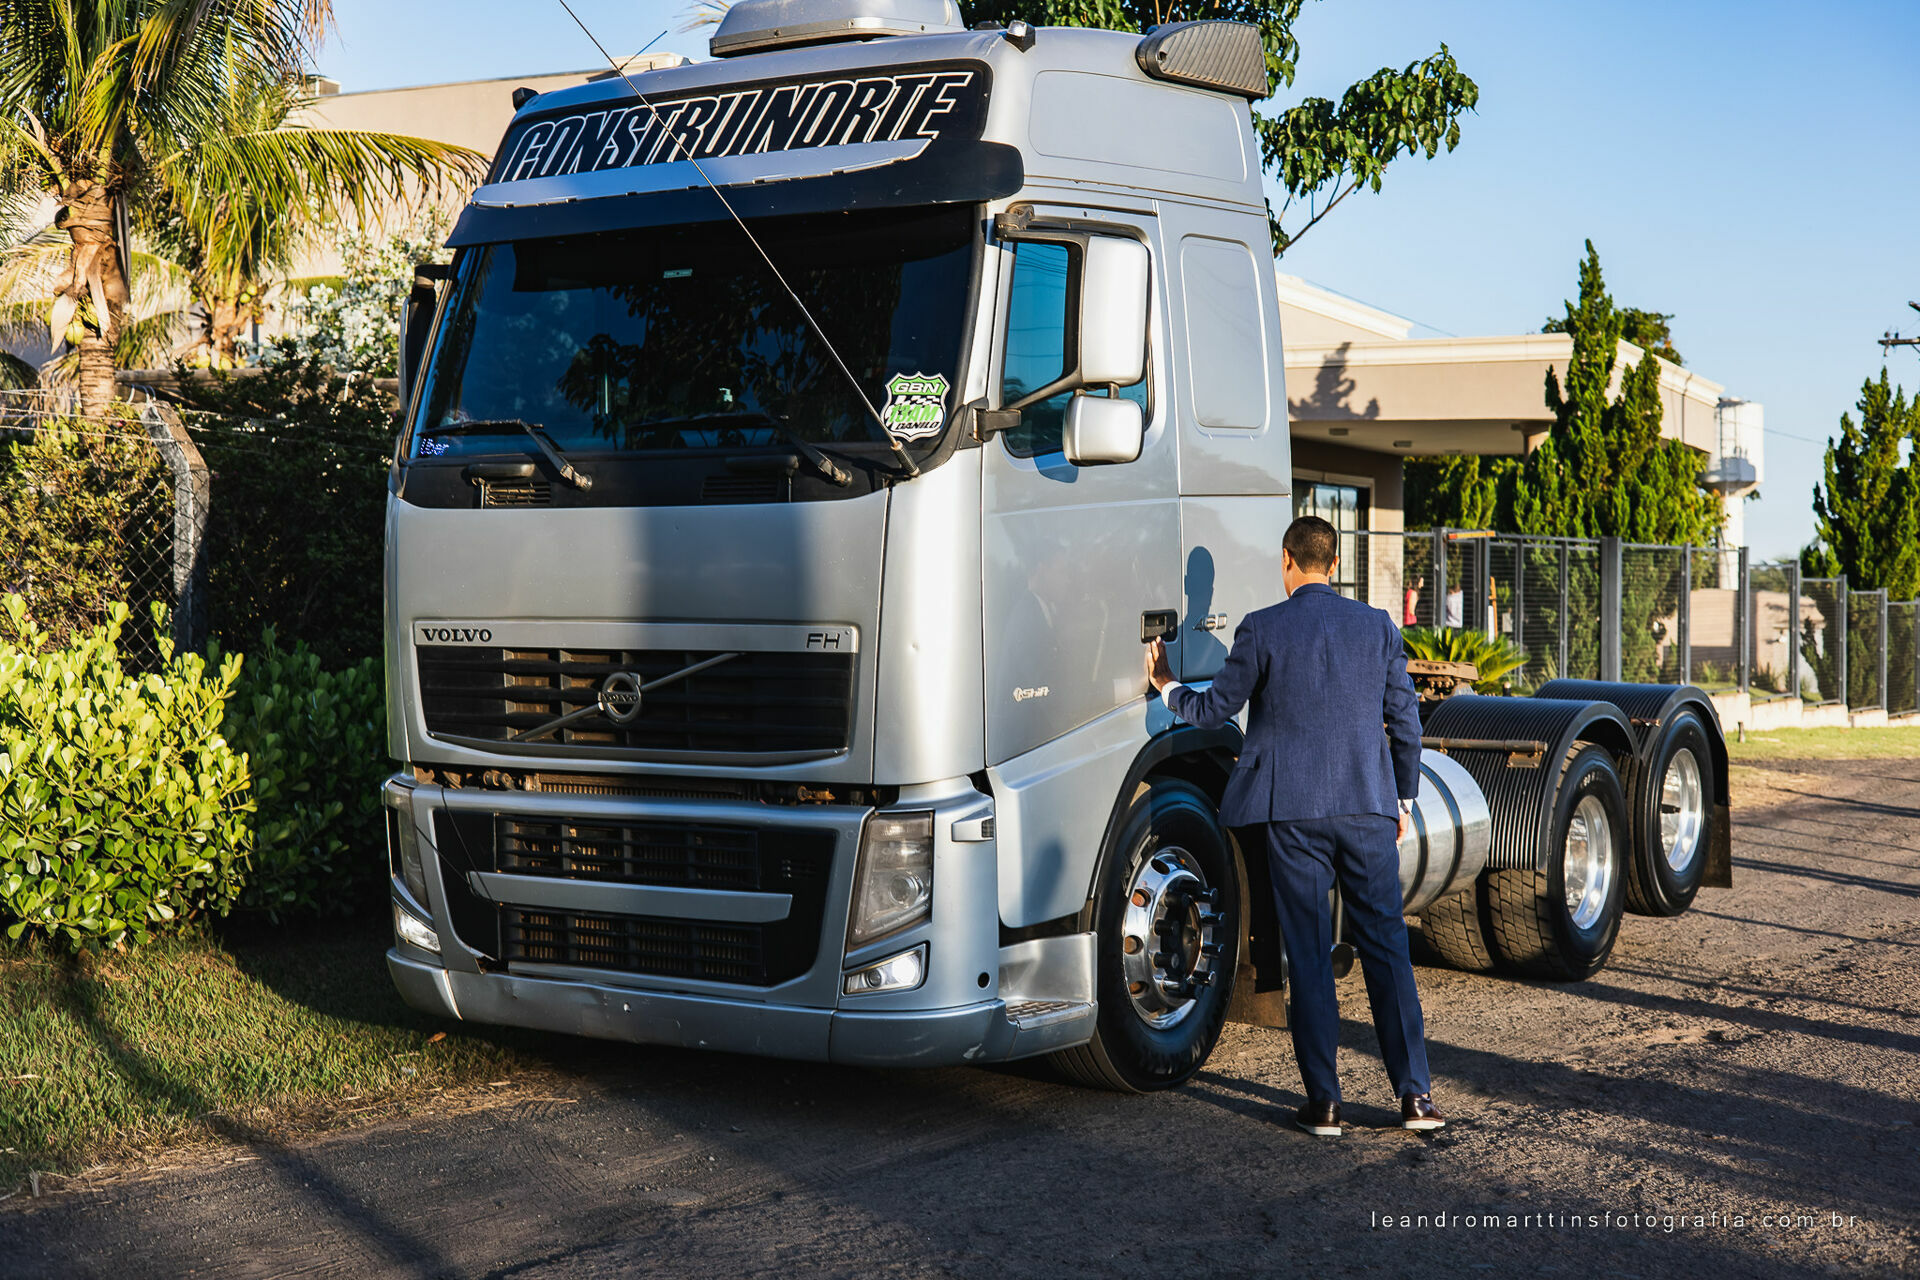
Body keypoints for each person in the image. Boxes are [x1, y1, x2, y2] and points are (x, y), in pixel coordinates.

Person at [1144, 515, 1444, 1137]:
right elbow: (1406, 722)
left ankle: (1325, 1105)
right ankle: (1416, 1098)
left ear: (1286, 560)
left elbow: (1213, 711)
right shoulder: (1378, 626)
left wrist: (1167, 684)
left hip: (1292, 814)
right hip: (1367, 808)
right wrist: (1403, 800)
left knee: (1308, 954)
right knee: (1388, 949)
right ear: (1333, 565)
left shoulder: (1262, 627)